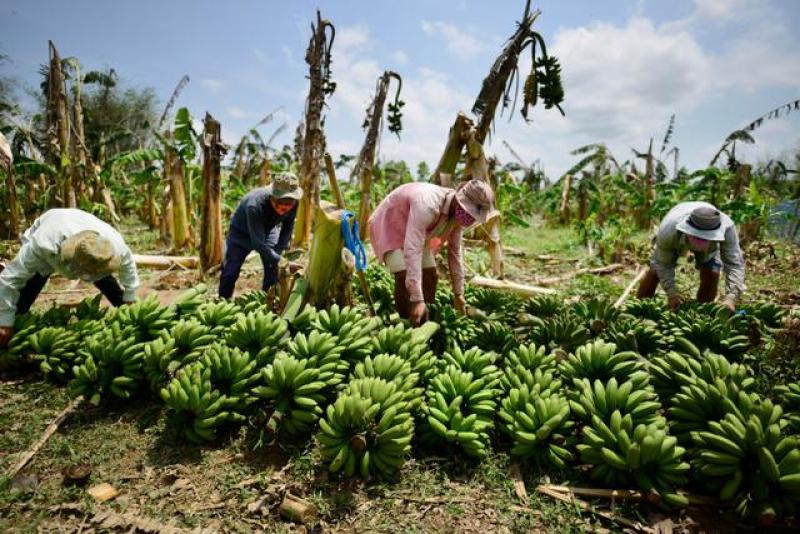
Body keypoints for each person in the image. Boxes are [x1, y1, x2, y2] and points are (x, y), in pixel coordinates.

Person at [0, 209, 140, 347]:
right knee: (32, 283)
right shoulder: (42, 245)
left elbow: (128, 266)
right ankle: (15, 321)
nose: (88, 277)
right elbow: (10, 278)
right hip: (53, 228)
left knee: (106, 281)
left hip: (89, 237)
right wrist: (5, 321)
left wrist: (130, 297)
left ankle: (127, 316)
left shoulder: (112, 247)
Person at [368, 179, 499, 326]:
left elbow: (455, 252)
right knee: (403, 275)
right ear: (459, 199)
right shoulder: (428, 205)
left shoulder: (456, 216)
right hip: (390, 223)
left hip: (415, 230)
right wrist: (417, 299)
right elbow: (413, 250)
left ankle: (424, 318)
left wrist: (458, 293)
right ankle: (406, 322)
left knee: (431, 275)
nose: (469, 217)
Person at [637, 201, 745, 312]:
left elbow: (735, 264)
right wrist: (672, 295)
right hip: (677, 230)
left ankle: (702, 311)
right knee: (656, 270)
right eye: (697, 237)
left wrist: (731, 297)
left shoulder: (727, 229)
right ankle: (640, 309)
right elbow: (663, 264)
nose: (700, 240)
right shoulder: (669, 230)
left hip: (711, 245)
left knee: (712, 271)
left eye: (704, 238)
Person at [219, 171, 302, 299]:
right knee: (230, 271)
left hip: (268, 230)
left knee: (273, 270)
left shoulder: (294, 204)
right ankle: (222, 301)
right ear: (272, 197)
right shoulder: (255, 205)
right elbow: (258, 243)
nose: (281, 211)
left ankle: (266, 302)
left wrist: (279, 257)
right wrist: (282, 260)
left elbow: (287, 228)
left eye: (286, 208)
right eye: (278, 206)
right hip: (241, 234)